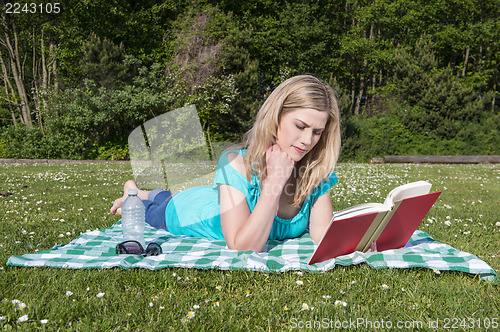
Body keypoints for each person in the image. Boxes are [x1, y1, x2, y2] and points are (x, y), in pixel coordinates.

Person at [110, 75, 341, 252]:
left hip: (214, 198)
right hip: (187, 212)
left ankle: (140, 191)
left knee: (166, 195)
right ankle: (133, 194)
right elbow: (244, 246)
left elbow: (325, 235)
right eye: (300, 126)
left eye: (317, 132)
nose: (307, 140)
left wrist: (362, 241)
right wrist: (275, 180)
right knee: (157, 207)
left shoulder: (314, 171)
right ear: (275, 117)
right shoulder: (235, 164)